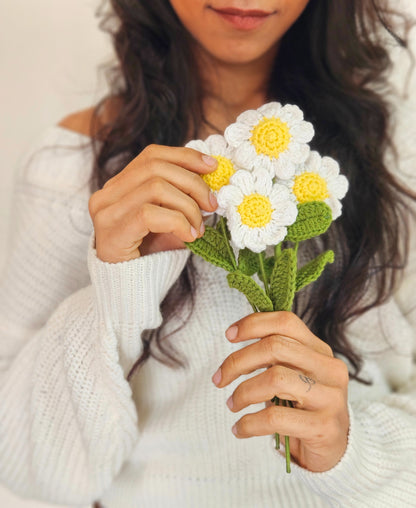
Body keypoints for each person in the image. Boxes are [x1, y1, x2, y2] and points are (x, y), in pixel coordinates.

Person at [0, 1, 415, 507]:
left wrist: (350, 450)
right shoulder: (67, 170)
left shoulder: (396, 154)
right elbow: (34, 470)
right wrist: (116, 285)